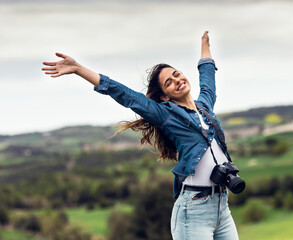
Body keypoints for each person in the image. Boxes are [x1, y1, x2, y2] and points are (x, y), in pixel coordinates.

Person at [42, 31, 239, 239]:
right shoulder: (166, 115)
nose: (177, 80)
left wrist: (204, 44)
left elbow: (207, 76)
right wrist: (78, 69)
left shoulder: (205, 106)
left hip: (222, 207)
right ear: (164, 96)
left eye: (177, 74)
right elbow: (126, 95)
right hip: (194, 210)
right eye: (169, 82)